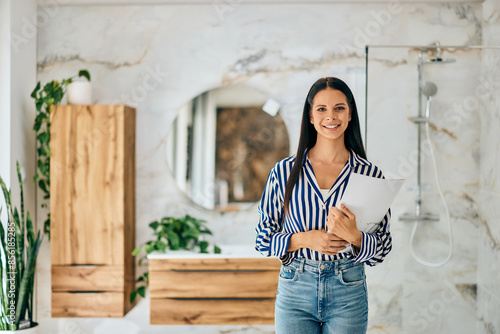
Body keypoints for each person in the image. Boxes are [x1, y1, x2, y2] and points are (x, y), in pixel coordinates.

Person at [255, 77, 392, 334]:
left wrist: (354, 236)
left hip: (348, 290)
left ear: (350, 113)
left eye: (339, 108)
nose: (331, 116)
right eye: (322, 109)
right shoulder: (284, 172)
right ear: (310, 116)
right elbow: (263, 240)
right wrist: (304, 240)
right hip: (295, 289)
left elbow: (383, 248)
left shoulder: (370, 174)